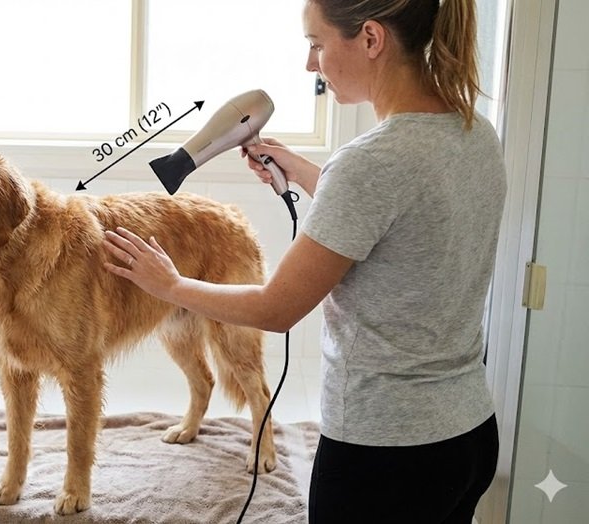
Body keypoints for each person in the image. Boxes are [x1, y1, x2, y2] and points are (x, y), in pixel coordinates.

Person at [102, 0, 506, 522]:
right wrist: (310, 172)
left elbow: (277, 308)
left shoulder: (372, 163)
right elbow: (404, 220)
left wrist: (171, 286)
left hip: (385, 454)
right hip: (468, 436)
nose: (310, 65)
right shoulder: (474, 133)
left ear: (370, 38)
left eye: (316, 45)